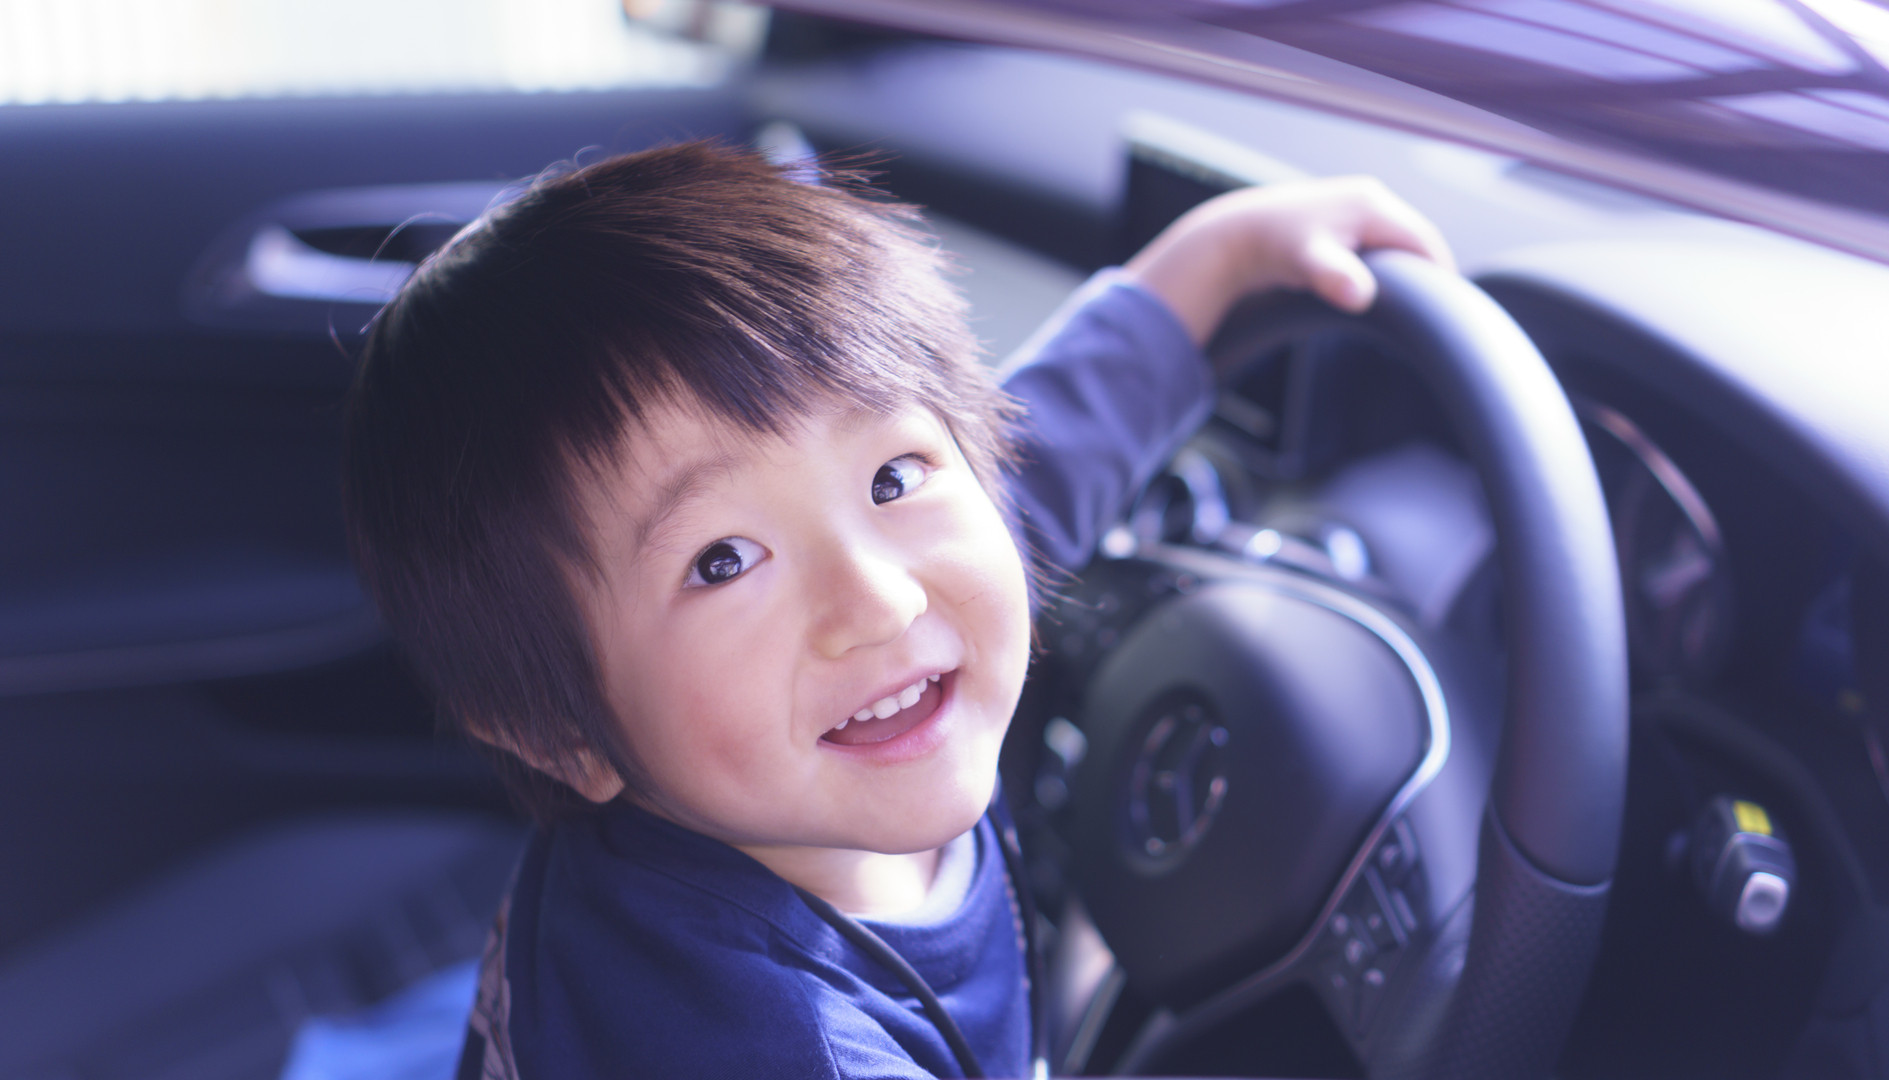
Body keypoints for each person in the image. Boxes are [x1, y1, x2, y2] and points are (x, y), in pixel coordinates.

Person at [341, 140, 1450, 1080]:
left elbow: (1035, 459)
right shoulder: (773, 1046)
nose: (878, 597)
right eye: (723, 561)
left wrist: (1213, 267)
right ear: (557, 732)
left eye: (889, 476)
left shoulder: (836, 698)